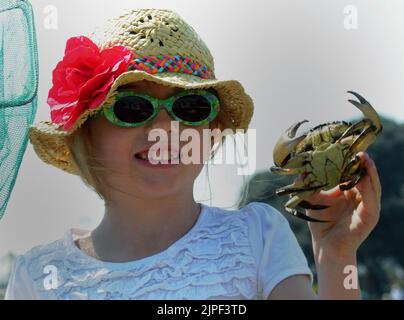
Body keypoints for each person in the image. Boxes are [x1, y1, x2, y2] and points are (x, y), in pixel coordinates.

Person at [5, 8, 381, 300]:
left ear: (212, 131)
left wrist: (335, 256)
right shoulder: (37, 275)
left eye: (191, 108)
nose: (166, 128)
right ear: (86, 135)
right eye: (133, 108)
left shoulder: (258, 236)